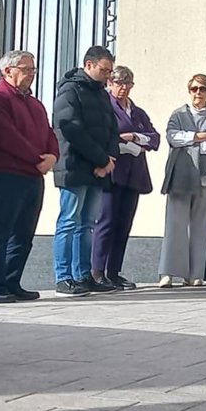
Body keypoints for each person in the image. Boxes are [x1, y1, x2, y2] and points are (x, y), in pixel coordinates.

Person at [0, 50, 58, 303]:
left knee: (24, 234)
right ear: (7, 71)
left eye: (33, 69)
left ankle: (12, 281)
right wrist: (38, 159)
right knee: (0, 231)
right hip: (6, 174)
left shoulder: (35, 104)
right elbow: (7, 137)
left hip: (33, 177)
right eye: (25, 69)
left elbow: (49, 134)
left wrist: (53, 156)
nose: (31, 74)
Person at [52, 45, 120, 298]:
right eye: (104, 70)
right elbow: (71, 129)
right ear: (89, 65)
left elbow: (112, 128)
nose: (107, 76)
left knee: (87, 223)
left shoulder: (102, 94)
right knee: (69, 221)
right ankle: (64, 277)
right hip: (74, 167)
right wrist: (101, 158)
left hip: (99, 169)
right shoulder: (70, 90)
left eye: (110, 71)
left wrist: (110, 157)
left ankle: (84, 275)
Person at [92, 65, 159, 290]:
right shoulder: (105, 107)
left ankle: (114, 271)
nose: (123, 88)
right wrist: (124, 142)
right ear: (110, 84)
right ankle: (97, 270)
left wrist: (135, 136)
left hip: (135, 174)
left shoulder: (137, 112)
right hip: (113, 171)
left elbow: (155, 138)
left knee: (124, 223)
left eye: (127, 84)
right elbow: (105, 136)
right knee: (107, 220)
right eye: (118, 83)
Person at [159, 74, 206, 287]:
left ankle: (196, 273)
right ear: (189, 91)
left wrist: (190, 140)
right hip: (180, 175)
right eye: (194, 89)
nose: (198, 93)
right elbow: (172, 137)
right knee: (175, 224)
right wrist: (201, 137)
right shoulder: (178, 114)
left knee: (200, 225)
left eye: (203, 89)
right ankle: (168, 273)